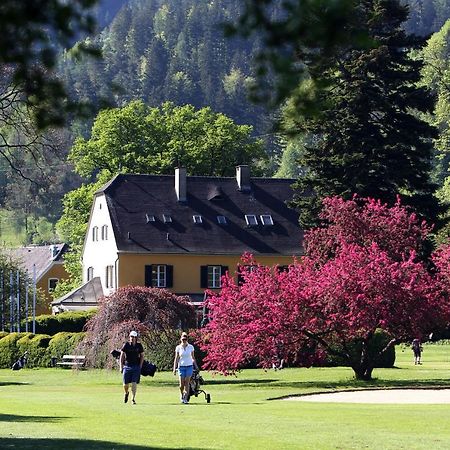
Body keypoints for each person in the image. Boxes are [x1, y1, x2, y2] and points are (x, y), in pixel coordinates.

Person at [173, 332, 198, 404]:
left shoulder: (191, 347)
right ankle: (181, 394)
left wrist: (196, 366)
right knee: (181, 384)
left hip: (189, 366)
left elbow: (193, 357)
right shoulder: (178, 347)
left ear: (187, 339)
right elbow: (176, 358)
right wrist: (174, 368)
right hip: (181, 367)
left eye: (185, 339)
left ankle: (185, 398)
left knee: (187, 382)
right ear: (181, 339)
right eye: (183, 339)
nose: (184, 340)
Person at [120, 330, 144, 404]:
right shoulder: (126, 345)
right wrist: (121, 366)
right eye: (131, 337)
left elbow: (142, 356)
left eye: (134, 337)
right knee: (125, 384)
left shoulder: (139, 346)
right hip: (127, 366)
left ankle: (133, 399)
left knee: (134, 383)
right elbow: (122, 356)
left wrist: (140, 366)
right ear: (129, 337)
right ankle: (126, 393)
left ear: (136, 338)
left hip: (136, 366)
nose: (132, 338)